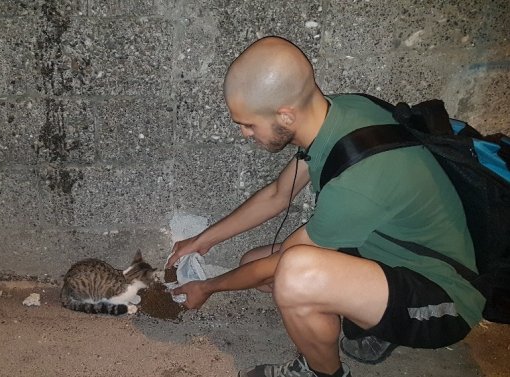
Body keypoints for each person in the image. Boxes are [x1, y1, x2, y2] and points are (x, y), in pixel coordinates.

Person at [165, 36, 485, 377]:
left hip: (444, 300)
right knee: (253, 264)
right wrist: (203, 241)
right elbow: (277, 194)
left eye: (248, 124)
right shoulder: (336, 114)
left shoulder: (359, 183)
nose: (245, 134)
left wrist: (208, 287)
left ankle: (321, 372)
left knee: (293, 276)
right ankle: (371, 320)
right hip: (388, 254)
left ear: (286, 115)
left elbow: (284, 263)